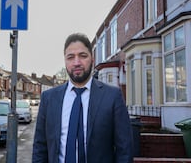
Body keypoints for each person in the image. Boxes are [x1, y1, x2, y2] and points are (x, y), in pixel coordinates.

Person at [32, 33, 133, 163]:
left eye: (83, 56)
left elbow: (125, 149)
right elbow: (40, 147)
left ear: (92, 59)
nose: (77, 62)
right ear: (65, 61)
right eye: (70, 57)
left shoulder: (112, 97)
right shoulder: (48, 99)